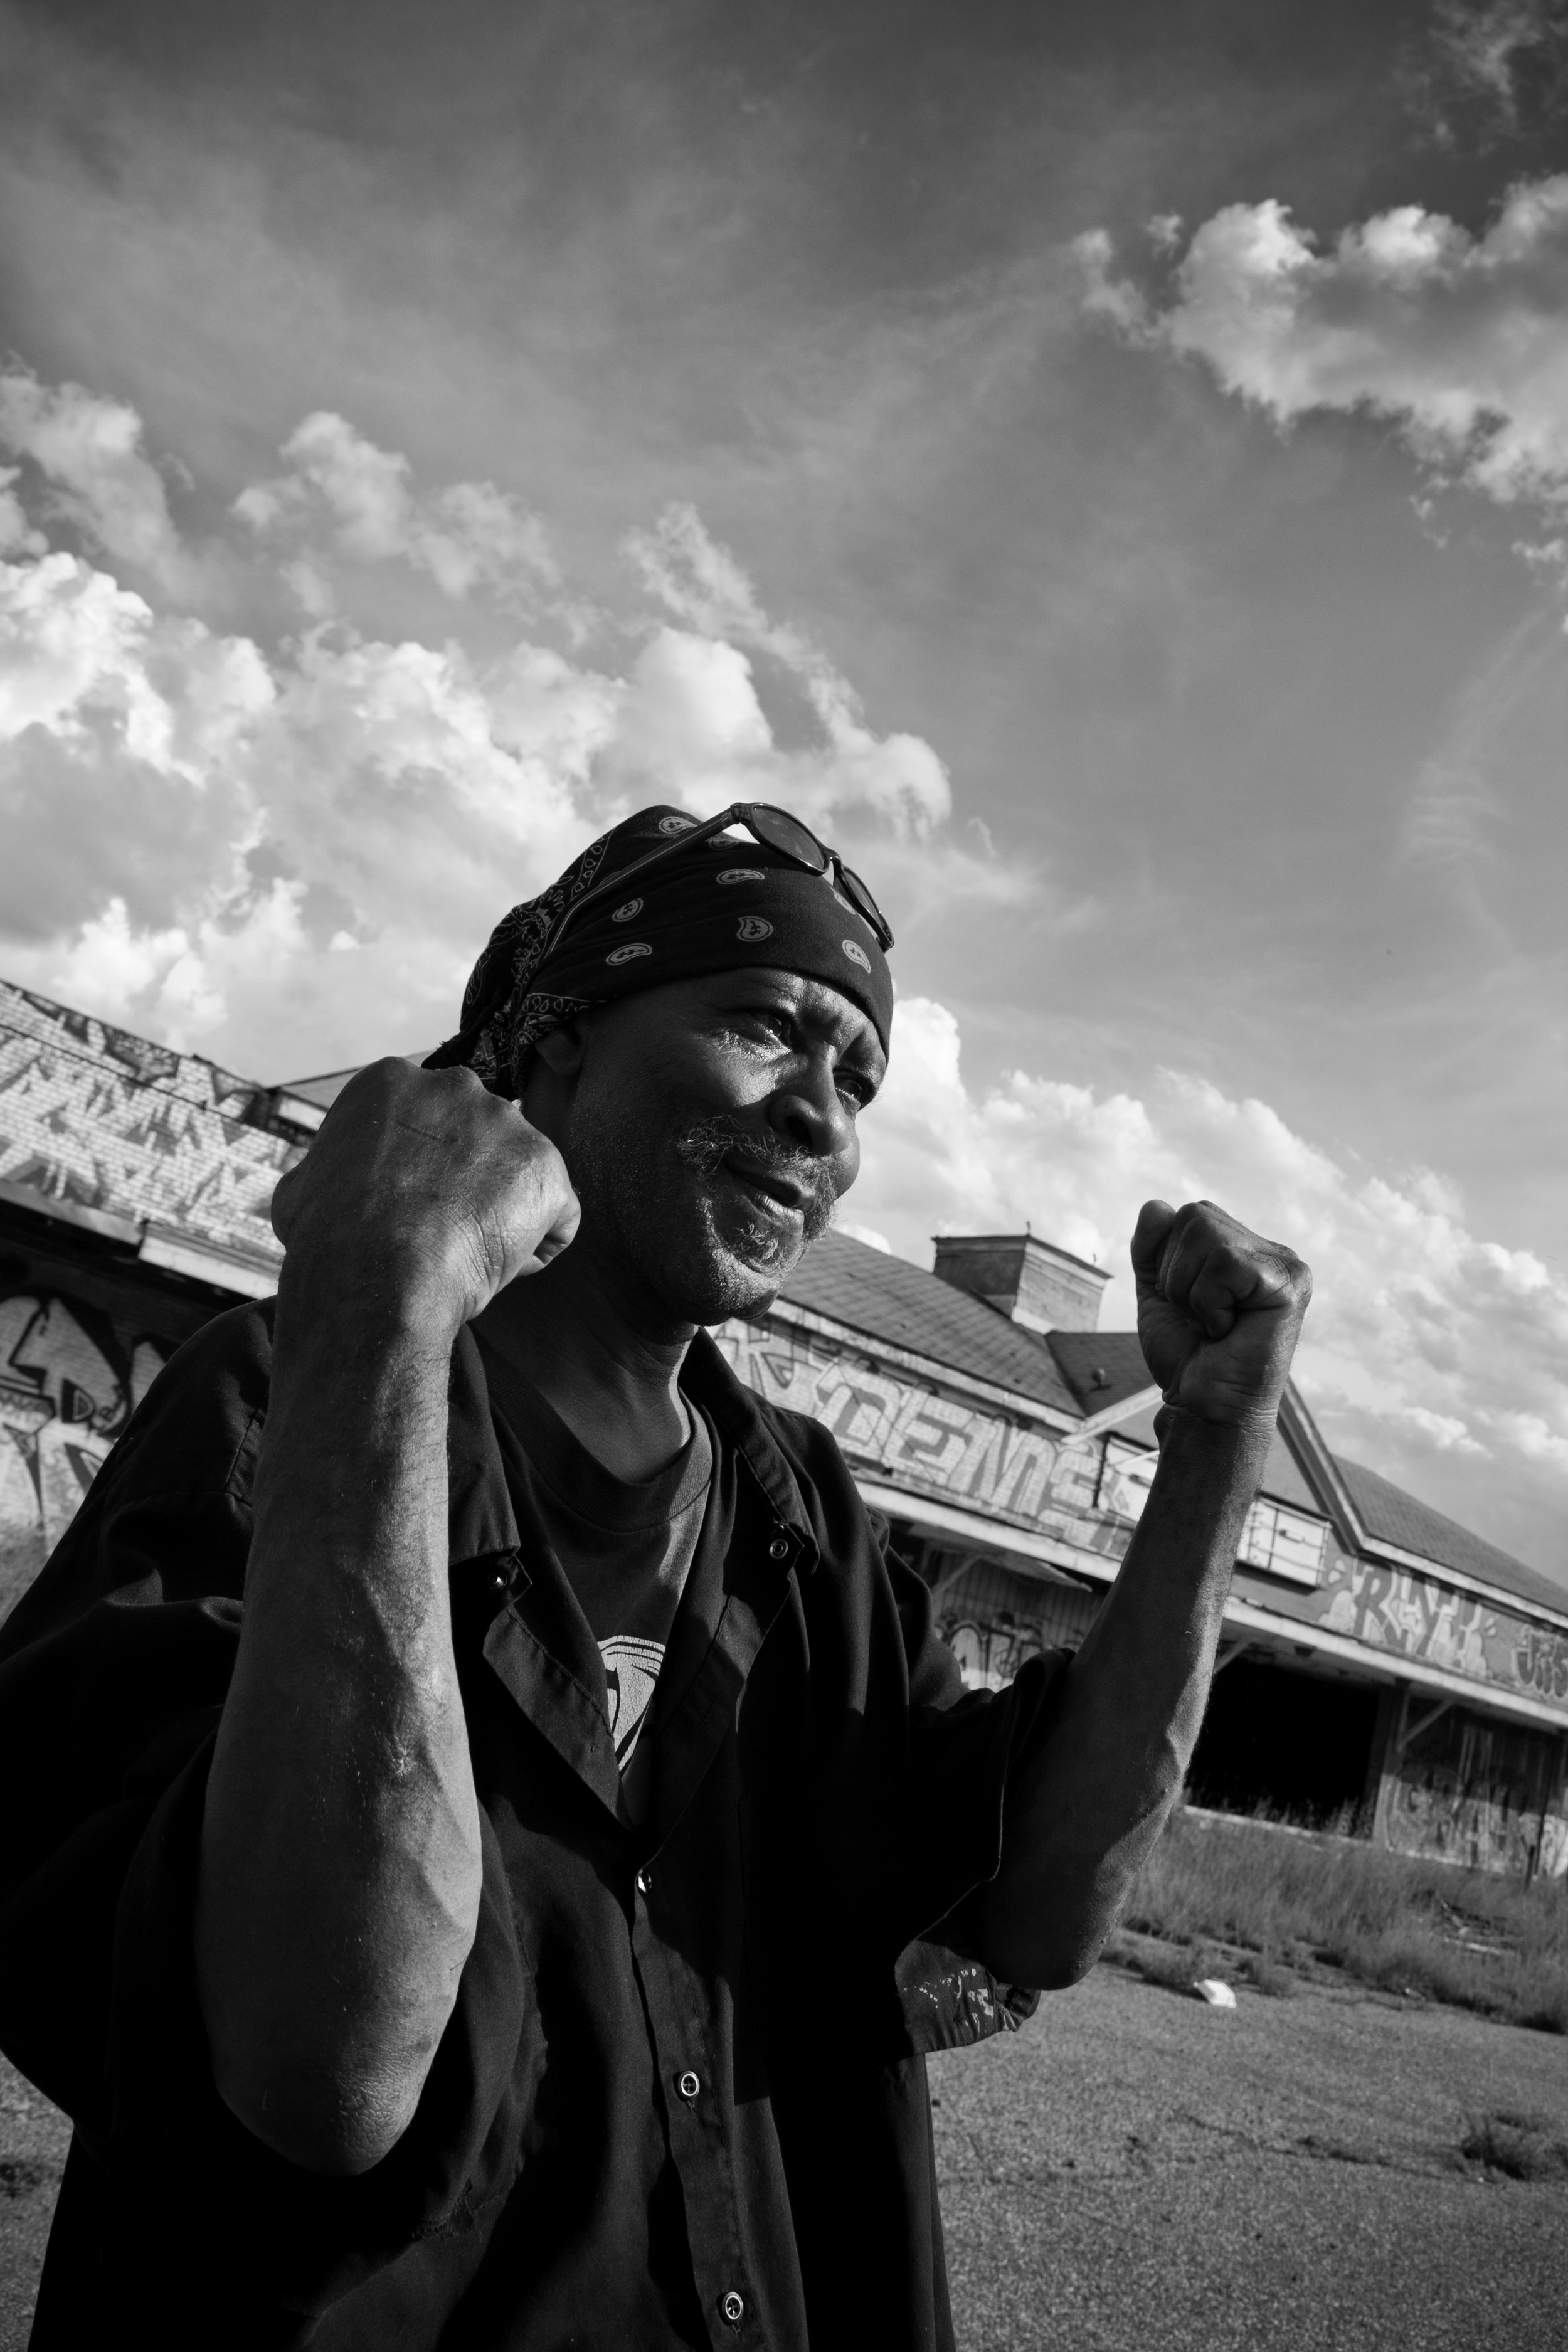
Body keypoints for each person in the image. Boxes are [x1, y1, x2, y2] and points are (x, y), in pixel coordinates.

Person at [0, 803, 1310, 2350]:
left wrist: (1214, 1449)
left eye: (856, 1074)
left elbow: (1040, 1913)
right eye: (766, 1023)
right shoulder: (284, 1403)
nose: (823, 1113)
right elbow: (321, 2072)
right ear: (547, 1047)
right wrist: (382, 1294)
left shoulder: (801, 1517)